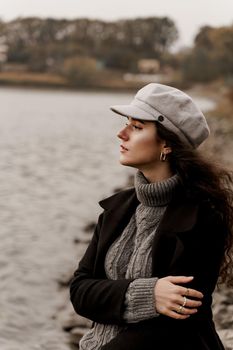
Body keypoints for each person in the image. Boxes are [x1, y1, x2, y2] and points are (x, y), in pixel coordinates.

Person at [70, 83, 233, 350]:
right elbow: (80, 291)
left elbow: (175, 324)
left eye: (136, 127)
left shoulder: (203, 217)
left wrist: (111, 298)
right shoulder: (115, 210)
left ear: (167, 143)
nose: (121, 134)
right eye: (127, 124)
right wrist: (148, 294)